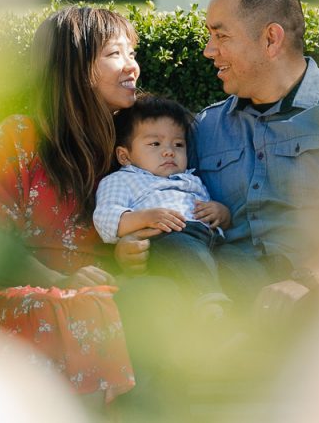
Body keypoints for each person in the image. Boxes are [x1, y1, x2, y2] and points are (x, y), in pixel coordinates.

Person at [116, 0, 319, 326]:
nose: (209, 51)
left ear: (271, 39)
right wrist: (132, 246)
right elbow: (162, 196)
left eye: (221, 36)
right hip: (223, 305)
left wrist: (305, 281)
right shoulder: (204, 127)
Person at [0, 5, 140, 405]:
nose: (132, 66)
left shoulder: (135, 144)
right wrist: (59, 281)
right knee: (70, 309)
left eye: (132, 53)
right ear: (75, 68)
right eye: (115, 53)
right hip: (23, 296)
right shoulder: (20, 137)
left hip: (101, 295)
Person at [93, 94, 232, 320]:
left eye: (178, 144)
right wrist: (146, 218)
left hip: (211, 242)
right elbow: (106, 219)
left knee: (238, 261)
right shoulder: (122, 179)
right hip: (167, 240)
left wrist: (221, 213)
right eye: (155, 144)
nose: (169, 151)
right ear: (124, 156)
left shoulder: (191, 179)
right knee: (186, 252)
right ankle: (212, 308)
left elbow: (212, 214)